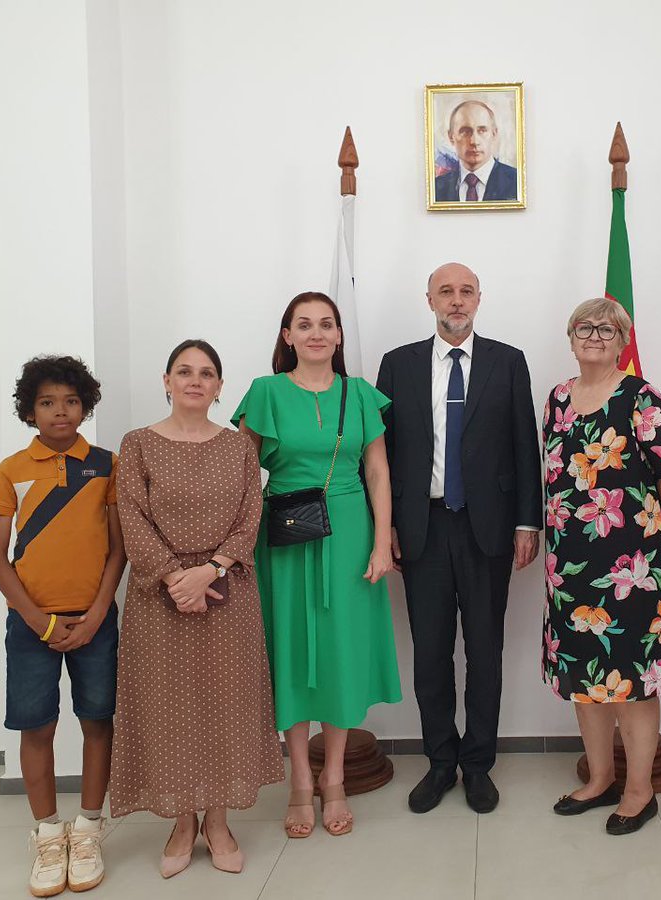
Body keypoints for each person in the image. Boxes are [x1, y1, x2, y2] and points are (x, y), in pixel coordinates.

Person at [110, 340, 283, 878]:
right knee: (169, 709)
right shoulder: (138, 444)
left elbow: (250, 516)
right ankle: (182, 821)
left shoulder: (239, 448)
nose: (195, 380)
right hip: (156, 599)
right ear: (166, 381)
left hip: (227, 592)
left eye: (206, 373)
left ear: (219, 387)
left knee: (226, 705)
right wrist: (172, 577)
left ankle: (219, 821)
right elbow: (131, 517)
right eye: (184, 371)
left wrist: (210, 570)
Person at [376, 262, 542, 814]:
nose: (456, 300)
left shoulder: (507, 361)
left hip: (487, 528)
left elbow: (525, 446)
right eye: (445, 291)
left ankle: (478, 764)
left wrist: (527, 521)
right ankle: (440, 761)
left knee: (485, 652)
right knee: (430, 654)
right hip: (422, 527)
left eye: (466, 291)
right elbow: (384, 455)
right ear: (429, 299)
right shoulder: (397, 365)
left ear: (479, 299)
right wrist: (388, 527)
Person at [234, 292, 400, 839]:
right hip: (282, 534)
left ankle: (334, 778)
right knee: (291, 651)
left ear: (338, 336)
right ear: (287, 335)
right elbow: (238, 474)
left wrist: (380, 543)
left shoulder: (360, 395)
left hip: (350, 533)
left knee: (338, 654)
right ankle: (299, 780)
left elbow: (378, 472)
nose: (315, 333)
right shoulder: (265, 392)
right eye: (303, 325)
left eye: (326, 324)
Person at [0, 355, 125, 896]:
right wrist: (38, 620)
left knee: (96, 720)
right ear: (29, 410)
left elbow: (118, 550)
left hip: (95, 622)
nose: (59, 411)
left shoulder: (107, 465)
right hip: (30, 626)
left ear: (84, 405)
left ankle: (88, 827)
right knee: (36, 726)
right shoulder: (11, 469)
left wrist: (96, 614)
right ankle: (46, 833)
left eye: (69, 401)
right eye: (46, 403)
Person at [543, 298, 661, 835]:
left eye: (607, 328)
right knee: (585, 673)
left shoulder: (643, 398)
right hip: (571, 564)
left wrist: (637, 523)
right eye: (584, 326)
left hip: (632, 563)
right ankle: (600, 777)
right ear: (571, 335)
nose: (595, 335)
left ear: (624, 338)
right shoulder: (557, 398)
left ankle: (639, 789)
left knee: (633, 677)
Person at [434, 100, 519, 202]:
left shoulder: (517, 182)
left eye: (482, 130)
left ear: (494, 134)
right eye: (465, 132)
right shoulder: (436, 188)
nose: (474, 141)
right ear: (451, 137)